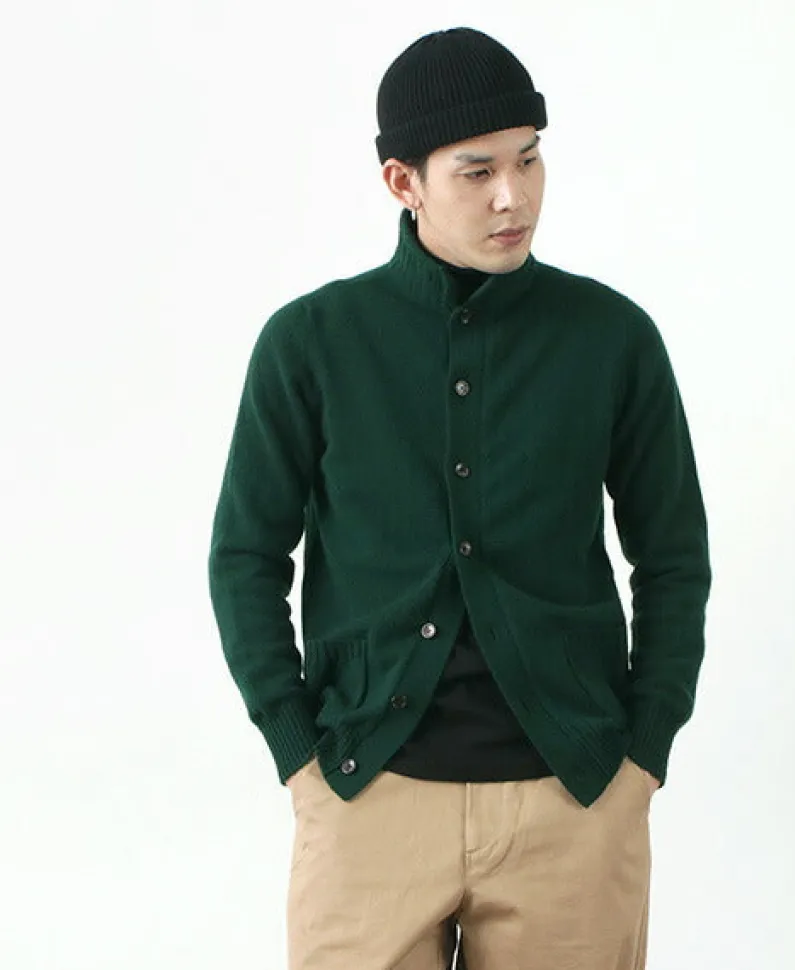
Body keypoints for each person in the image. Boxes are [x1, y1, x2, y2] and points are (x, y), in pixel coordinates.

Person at [208, 25, 712, 970]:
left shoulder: (612, 339)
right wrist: (296, 754)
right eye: (476, 171)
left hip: (574, 800)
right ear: (403, 181)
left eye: (529, 158)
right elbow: (245, 558)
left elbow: (674, 557)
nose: (513, 195)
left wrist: (645, 752)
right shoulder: (311, 344)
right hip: (366, 798)